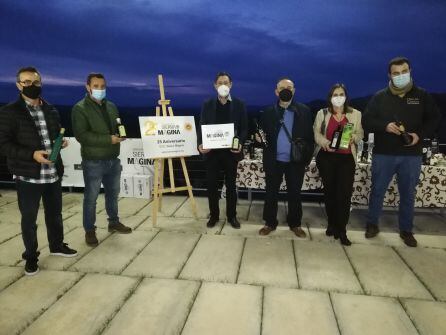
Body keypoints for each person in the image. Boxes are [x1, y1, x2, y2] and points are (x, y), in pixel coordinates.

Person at [0, 66, 77, 276]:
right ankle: (31, 257)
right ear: (18, 85)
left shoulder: (51, 110)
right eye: (26, 82)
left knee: (55, 214)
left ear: (40, 83)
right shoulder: (9, 111)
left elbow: (53, 136)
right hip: (27, 174)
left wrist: (59, 144)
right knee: (29, 219)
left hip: (52, 173)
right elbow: (3, 144)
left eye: (34, 82)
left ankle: (57, 245)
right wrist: (31, 154)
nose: (31, 86)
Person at [363, 57, 441, 247]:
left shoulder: (421, 95)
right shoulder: (380, 97)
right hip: (384, 154)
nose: (400, 76)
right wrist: (385, 126)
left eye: (404, 72)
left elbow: (435, 119)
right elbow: (366, 121)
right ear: (389, 75)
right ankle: (372, 223)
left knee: (408, 193)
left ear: (410, 71)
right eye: (396, 73)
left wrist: (419, 135)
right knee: (378, 191)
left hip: (411, 155)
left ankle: (406, 230)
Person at [72, 73, 132, 246]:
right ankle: (89, 231)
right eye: (96, 86)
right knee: (91, 198)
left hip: (113, 159)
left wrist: (120, 135)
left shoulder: (112, 106)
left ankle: (113, 222)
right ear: (87, 87)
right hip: (93, 161)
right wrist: (108, 139)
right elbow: (81, 135)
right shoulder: (80, 108)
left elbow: (116, 126)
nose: (100, 89)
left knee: (112, 195)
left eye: (103, 86)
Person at [256, 77, 314, 237]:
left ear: (294, 90)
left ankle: (295, 224)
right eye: (282, 88)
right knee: (271, 193)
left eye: (289, 87)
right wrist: (258, 139)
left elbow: (310, 138)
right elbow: (262, 134)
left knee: (295, 193)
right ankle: (269, 223)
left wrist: (305, 160)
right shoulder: (268, 112)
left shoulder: (304, 111)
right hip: (273, 160)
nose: (286, 90)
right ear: (276, 92)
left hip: (295, 162)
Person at [313, 83, 364, 245]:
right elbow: (316, 132)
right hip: (327, 157)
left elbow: (360, 132)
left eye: (341, 94)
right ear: (330, 97)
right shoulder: (322, 113)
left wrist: (353, 138)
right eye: (335, 94)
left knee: (344, 194)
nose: (338, 97)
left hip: (346, 158)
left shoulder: (356, 114)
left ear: (346, 96)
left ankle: (342, 230)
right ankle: (331, 223)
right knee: (330, 193)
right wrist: (324, 142)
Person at [198, 72, 248, 229]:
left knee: (231, 187)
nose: (223, 85)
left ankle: (232, 216)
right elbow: (201, 126)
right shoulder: (207, 104)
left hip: (231, 153)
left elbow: (245, 128)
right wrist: (200, 144)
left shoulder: (240, 104)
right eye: (220, 83)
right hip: (212, 153)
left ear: (231, 85)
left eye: (226, 82)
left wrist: (239, 142)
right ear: (215, 85)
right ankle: (214, 216)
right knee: (212, 186)